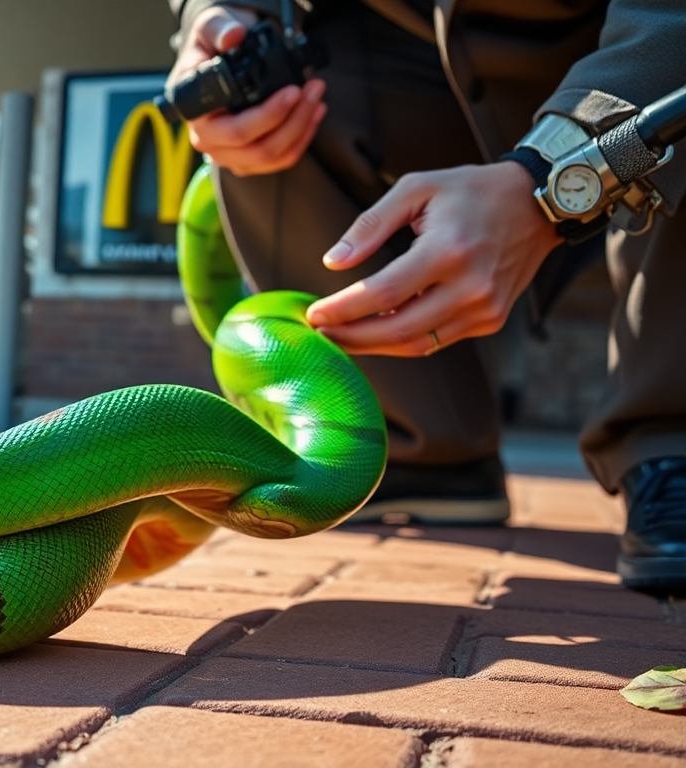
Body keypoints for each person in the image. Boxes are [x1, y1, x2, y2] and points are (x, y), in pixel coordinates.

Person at [166, 0, 686, 593]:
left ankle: (670, 438)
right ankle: (421, 444)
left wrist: (552, 181)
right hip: (426, 53)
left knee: (677, 92)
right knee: (266, 84)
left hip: (629, 46)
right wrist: (215, 17)